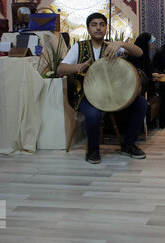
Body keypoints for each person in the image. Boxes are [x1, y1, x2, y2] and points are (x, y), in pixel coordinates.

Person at [57, 12, 147, 164]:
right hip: (87, 96)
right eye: (94, 25)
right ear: (88, 28)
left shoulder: (112, 47)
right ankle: (93, 149)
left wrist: (121, 44)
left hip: (113, 95)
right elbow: (60, 69)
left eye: (101, 24)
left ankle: (128, 145)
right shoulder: (79, 48)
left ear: (106, 28)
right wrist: (76, 67)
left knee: (141, 104)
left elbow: (139, 52)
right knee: (93, 114)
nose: (98, 28)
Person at [126, 32, 156, 97]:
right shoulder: (137, 55)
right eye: (151, 43)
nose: (153, 45)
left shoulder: (144, 55)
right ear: (146, 43)